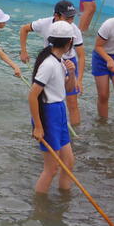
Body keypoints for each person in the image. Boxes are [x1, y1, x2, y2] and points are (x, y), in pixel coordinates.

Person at [28, 21, 77, 194]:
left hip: (59, 111)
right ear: (69, 41)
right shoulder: (48, 64)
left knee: (68, 163)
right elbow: (33, 95)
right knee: (51, 169)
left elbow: (68, 89)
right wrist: (38, 126)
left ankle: (64, 200)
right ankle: (39, 205)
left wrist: (72, 73)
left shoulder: (60, 61)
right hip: (49, 114)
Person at [19, 0, 84, 125]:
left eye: (72, 18)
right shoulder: (44, 23)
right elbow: (24, 29)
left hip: (69, 63)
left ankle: (75, 131)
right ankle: (41, 124)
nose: (70, 21)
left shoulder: (74, 30)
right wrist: (23, 51)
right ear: (56, 16)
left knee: (72, 102)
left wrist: (79, 79)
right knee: (44, 97)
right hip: (50, 60)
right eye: (67, 18)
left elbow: (81, 56)